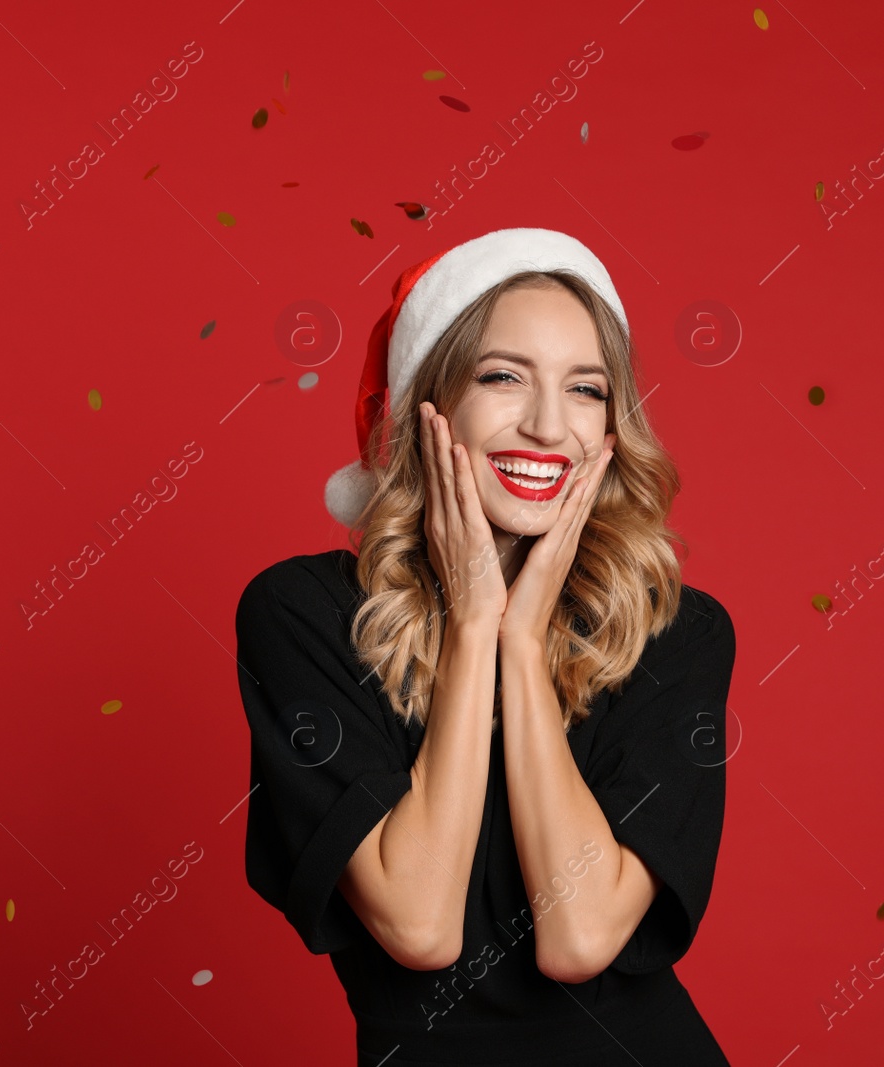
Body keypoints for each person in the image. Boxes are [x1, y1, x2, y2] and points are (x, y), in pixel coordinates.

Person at [235, 227, 736, 1066]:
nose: (547, 426)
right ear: (430, 402)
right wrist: (475, 623)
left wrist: (523, 636)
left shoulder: (676, 630)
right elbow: (418, 923)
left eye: (585, 389)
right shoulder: (304, 614)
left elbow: (578, 938)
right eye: (503, 377)